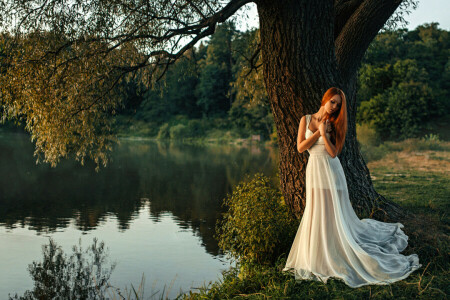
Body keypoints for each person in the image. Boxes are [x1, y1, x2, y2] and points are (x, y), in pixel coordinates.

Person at [282, 87, 421, 288]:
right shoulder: (306, 119)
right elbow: (301, 147)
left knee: (331, 214)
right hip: (314, 170)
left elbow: (333, 154)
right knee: (315, 211)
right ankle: (318, 252)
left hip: (331, 171)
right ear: (325, 99)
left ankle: (334, 251)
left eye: (338, 105)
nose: (335, 107)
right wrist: (318, 133)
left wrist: (325, 132)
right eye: (333, 102)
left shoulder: (335, 124)